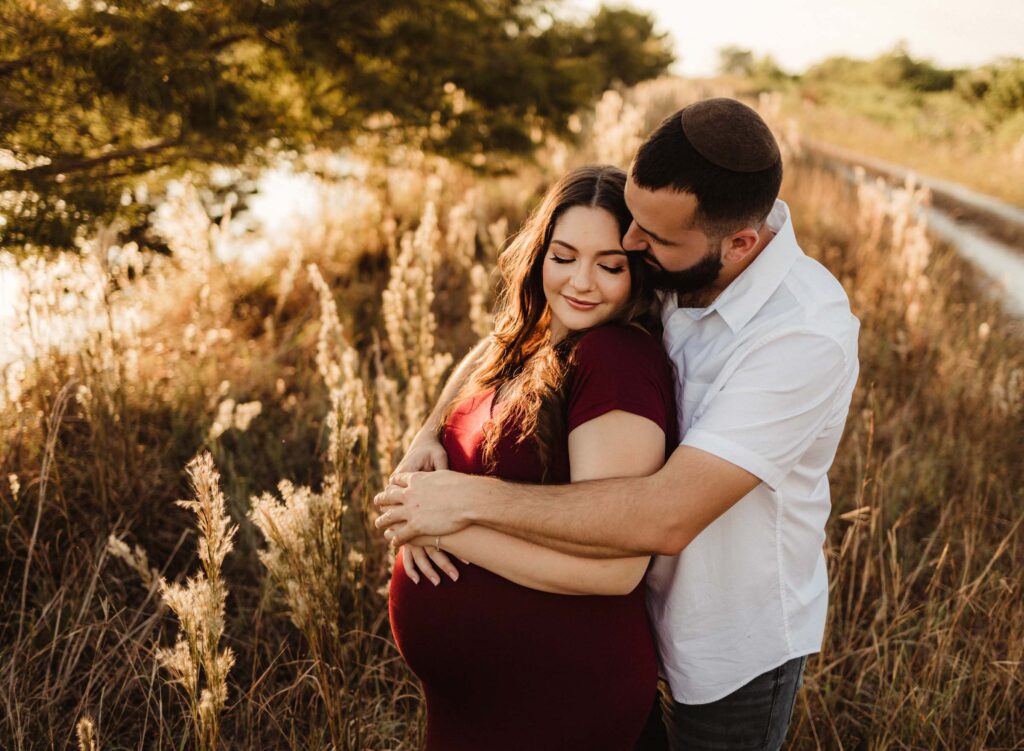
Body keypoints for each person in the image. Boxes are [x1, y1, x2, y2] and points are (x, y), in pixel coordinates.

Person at [376, 98, 861, 750]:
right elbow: (516, 333)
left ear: (739, 244)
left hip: (724, 639)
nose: (629, 246)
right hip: (625, 615)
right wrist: (427, 435)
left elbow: (663, 516)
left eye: (643, 243)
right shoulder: (661, 254)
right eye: (631, 223)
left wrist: (460, 506)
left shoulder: (804, 335)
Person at [387, 164, 679, 750]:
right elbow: (488, 349)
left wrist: (446, 527)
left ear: (639, 273)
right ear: (539, 253)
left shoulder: (614, 359)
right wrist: (426, 435)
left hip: (560, 699)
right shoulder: (539, 335)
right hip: (481, 707)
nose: (581, 282)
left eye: (610, 265)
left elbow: (618, 569)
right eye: (564, 256)